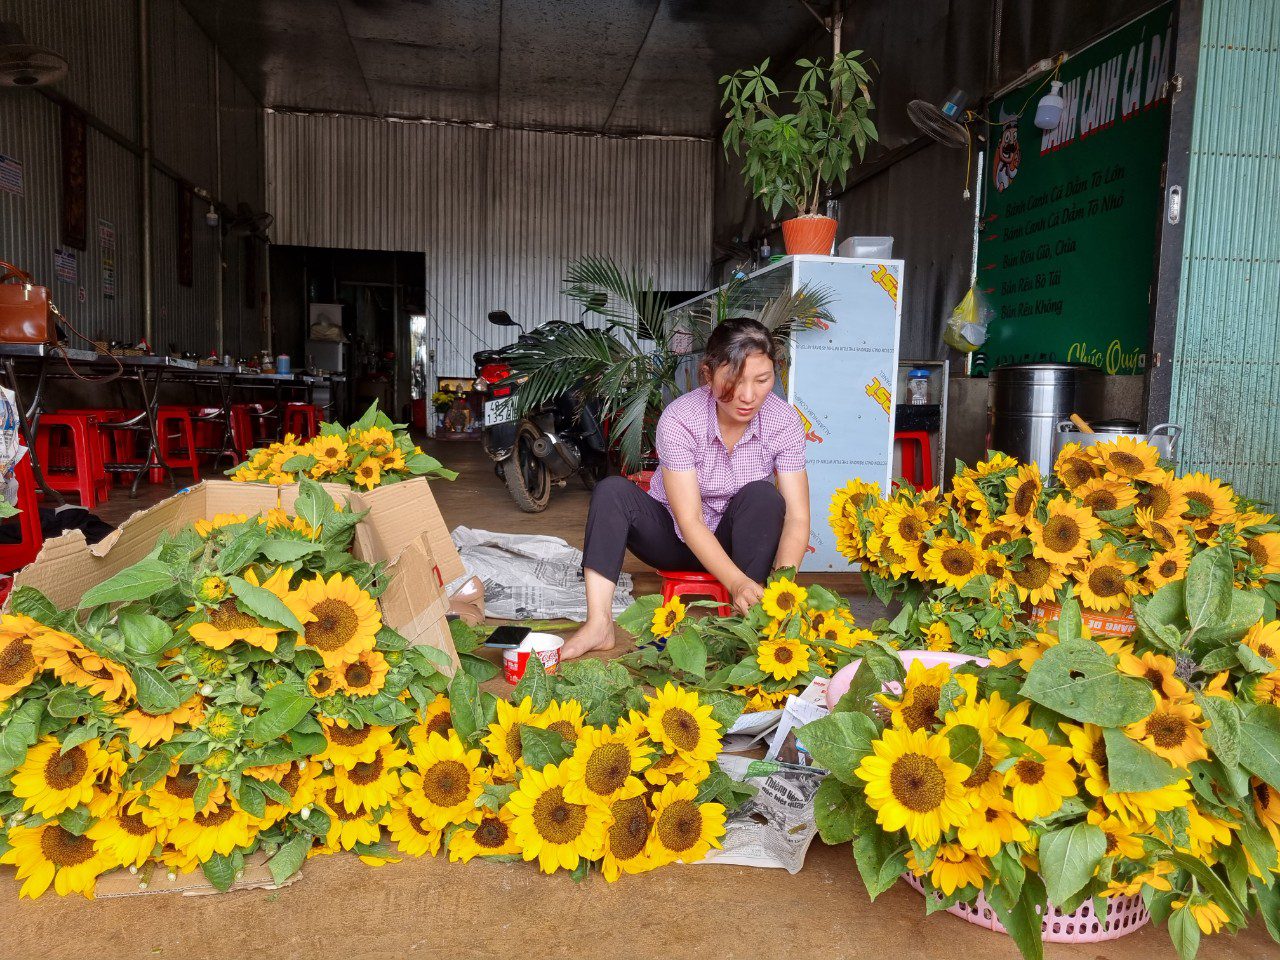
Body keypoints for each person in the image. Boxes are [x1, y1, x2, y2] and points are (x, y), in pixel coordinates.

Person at [562, 317, 810, 660]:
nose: (748, 395)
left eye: (762, 380)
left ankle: (752, 619)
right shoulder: (681, 419)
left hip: (737, 545)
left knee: (763, 496)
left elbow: (797, 516)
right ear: (707, 375)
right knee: (611, 492)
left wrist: (784, 591)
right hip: (675, 538)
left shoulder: (783, 421)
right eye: (734, 381)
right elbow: (690, 520)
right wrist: (734, 583)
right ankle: (599, 624)